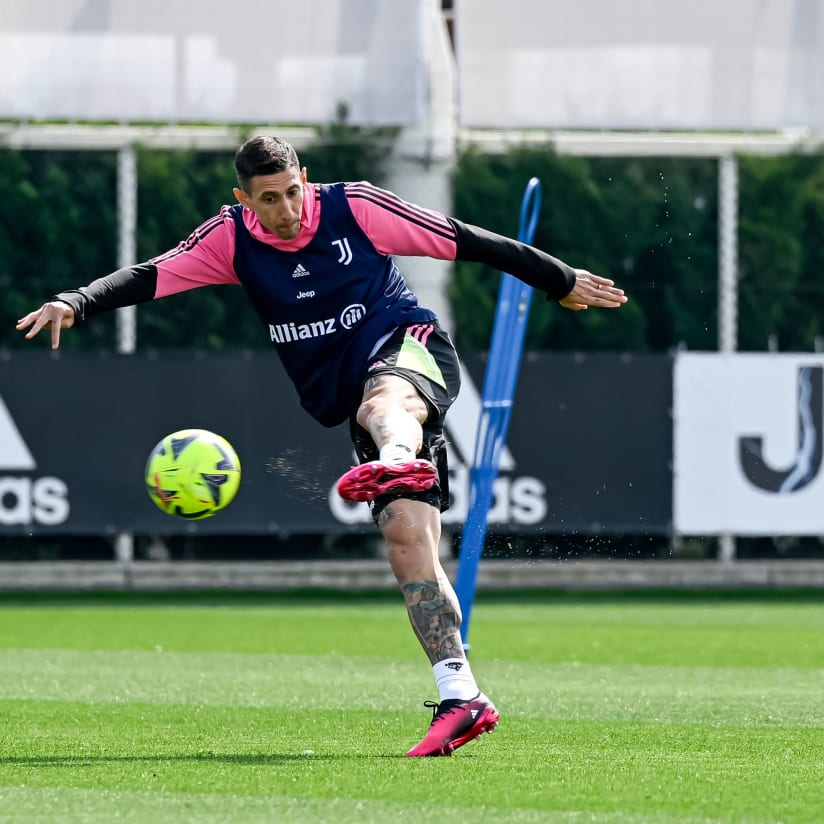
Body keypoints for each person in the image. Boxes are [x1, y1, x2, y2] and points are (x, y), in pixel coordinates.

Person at [16, 135, 628, 757]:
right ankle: (461, 696)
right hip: (345, 389)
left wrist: (559, 278)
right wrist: (78, 300)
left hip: (407, 345)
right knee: (407, 547)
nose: (284, 210)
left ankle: (397, 462)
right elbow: (153, 276)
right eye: (267, 200)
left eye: (291, 192)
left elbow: (465, 239)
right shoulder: (232, 239)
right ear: (243, 198)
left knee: (382, 404)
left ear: (305, 178)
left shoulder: (354, 208)